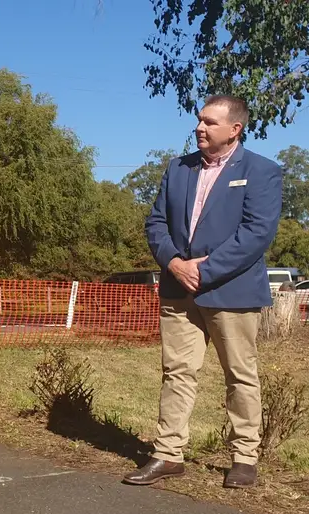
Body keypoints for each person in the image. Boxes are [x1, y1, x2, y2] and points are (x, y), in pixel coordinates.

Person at [128, 95, 282, 489]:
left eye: (210, 122)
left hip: (232, 291)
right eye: (199, 120)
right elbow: (156, 223)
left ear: (235, 129)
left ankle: (244, 458)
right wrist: (175, 264)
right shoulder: (177, 168)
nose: (200, 127)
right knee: (176, 372)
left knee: (240, 375)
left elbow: (256, 234)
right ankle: (168, 454)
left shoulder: (262, 171)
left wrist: (204, 270)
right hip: (178, 288)